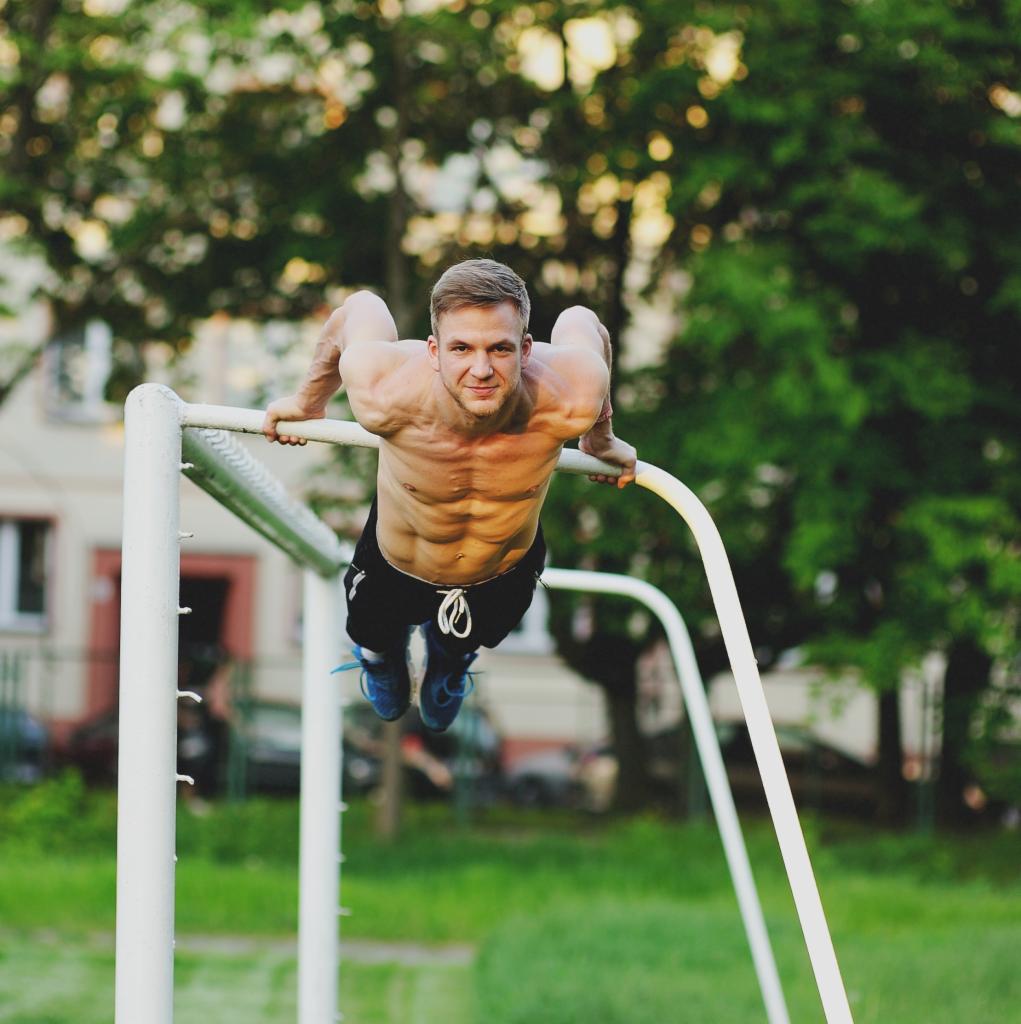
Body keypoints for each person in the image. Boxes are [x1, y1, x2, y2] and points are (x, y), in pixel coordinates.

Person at [263, 259, 636, 731]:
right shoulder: (384, 388)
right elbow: (358, 309)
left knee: (468, 640)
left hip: (501, 568)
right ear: (434, 351)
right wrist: (307, 401)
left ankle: (451, 657)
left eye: (499, 349)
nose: (481, 369)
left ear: (525, 349)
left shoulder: (569, 393)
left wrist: (600, 438)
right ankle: (381, 659)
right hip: (397, 560)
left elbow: (584, 322)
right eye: (461, 348)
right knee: (371, 633)